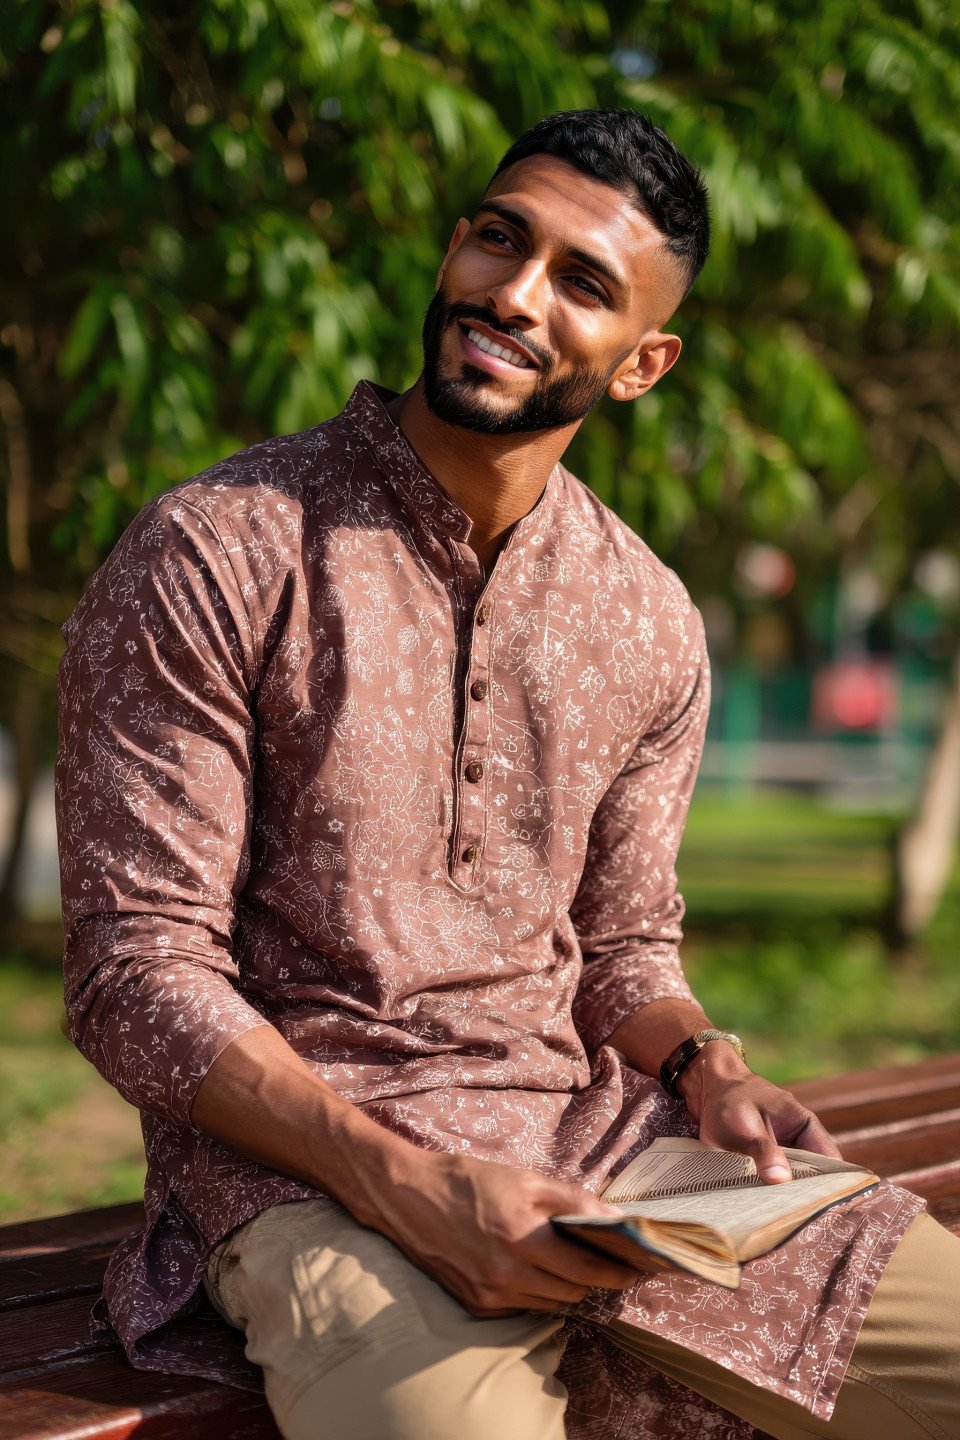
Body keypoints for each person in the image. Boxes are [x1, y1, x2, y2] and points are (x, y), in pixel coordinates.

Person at [57, 108, 960, 1440]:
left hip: (606, 1154)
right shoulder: (220, 551)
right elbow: (137, 977)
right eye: (498, 239)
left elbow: (623, 950)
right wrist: (408, 1186)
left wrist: (709, 1067)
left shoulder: (646, 616)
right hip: (306, 1180)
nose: (513, 295)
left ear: (644, 362)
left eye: (582, 283)